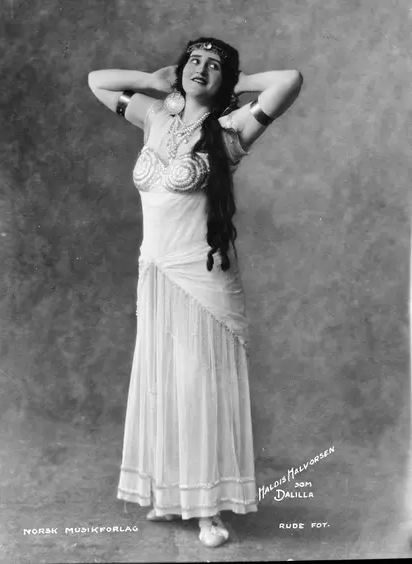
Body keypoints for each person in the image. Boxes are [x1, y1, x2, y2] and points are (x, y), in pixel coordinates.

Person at [88, 37, 303, 548]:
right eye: (195, 61)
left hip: (201, 281)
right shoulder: (154, 118)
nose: (201, 69)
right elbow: (97, 82)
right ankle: (172, 496)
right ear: (180, 69)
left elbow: (288, 81)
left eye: (214, 65)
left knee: (198, 388)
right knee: (164, 385)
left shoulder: (232, 129)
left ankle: (208, 511)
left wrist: (236, 82)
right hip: (156, 274)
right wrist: (151, 81)